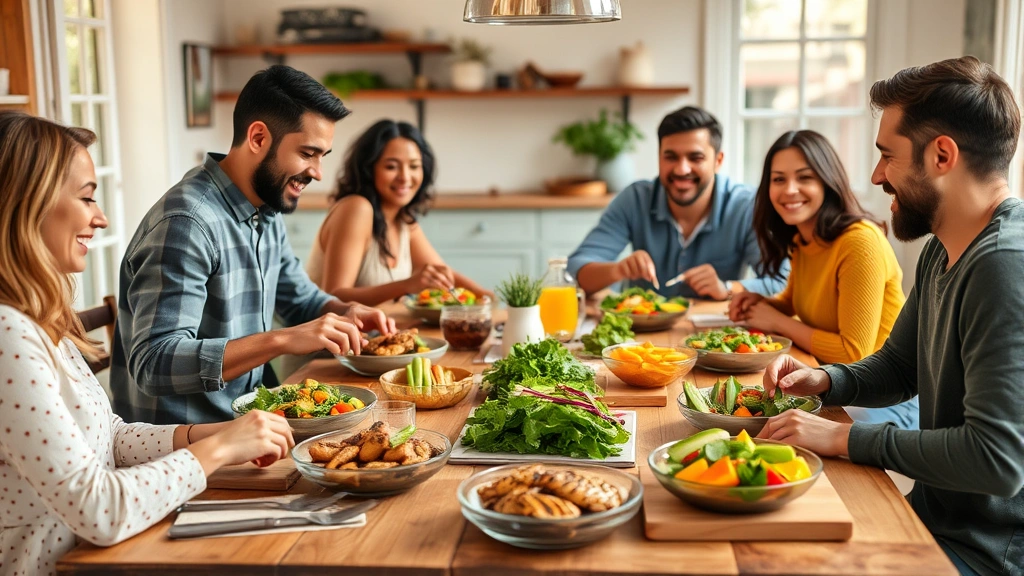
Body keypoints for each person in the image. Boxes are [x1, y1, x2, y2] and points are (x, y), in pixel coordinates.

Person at [757, 56, 1024, 576]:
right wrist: (823, 381)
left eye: (887, 155)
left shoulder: (1003, 265)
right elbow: (899, 368)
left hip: (983, 556)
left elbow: (997, 460)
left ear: (942, 155)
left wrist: (843, 438)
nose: (877, 175)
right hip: (928, 522)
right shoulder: (942, 247)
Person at [0, 112, 296, 576]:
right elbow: (99, 509)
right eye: (86, 198)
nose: (100, 218)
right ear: (26, 204)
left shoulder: (35, 321)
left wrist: (217, 435)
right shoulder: (6, 335)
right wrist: (216, 453)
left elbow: (111, 440)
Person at [110, 65, 395, 425]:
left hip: (249, 423)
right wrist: (279, 341)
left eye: (323, 156)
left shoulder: (264, 206)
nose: (318, 172)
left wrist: (344, 311)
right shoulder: (187, 224)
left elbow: (299, 300)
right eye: (308, 153)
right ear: (258, 138)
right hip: (187, 446)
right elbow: (154, 364)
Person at [728, 130, 916, 429]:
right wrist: (762, 303)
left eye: (804, 177)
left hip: (882, 401)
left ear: (827, 182)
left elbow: (855, 352)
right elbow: (796, 301)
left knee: (764, 427)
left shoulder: (859, 242)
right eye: (778, 179)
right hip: (830, 384)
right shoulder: (803, 238)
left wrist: (776, 321)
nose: (789, 189)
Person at [568, 106, 789, 299]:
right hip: (641, 339)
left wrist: (727, 287)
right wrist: (617, 270)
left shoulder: (745, 206)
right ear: (659, 157)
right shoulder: (634, 199)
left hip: (715, 338)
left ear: (718, 161)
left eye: (696, 158)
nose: (681, 169)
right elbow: (573, 273)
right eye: (671, 157)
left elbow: (781, 283)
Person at [306, 119, 490, 305]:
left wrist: (483, 295)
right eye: (391, 166)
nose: (405, 177)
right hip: (327, 332)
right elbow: (334, 297)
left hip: (375, 332)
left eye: (414, 166)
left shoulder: (402, 219)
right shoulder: (356, 208)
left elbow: (441, 273)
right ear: (369, 170)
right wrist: (407, 286)